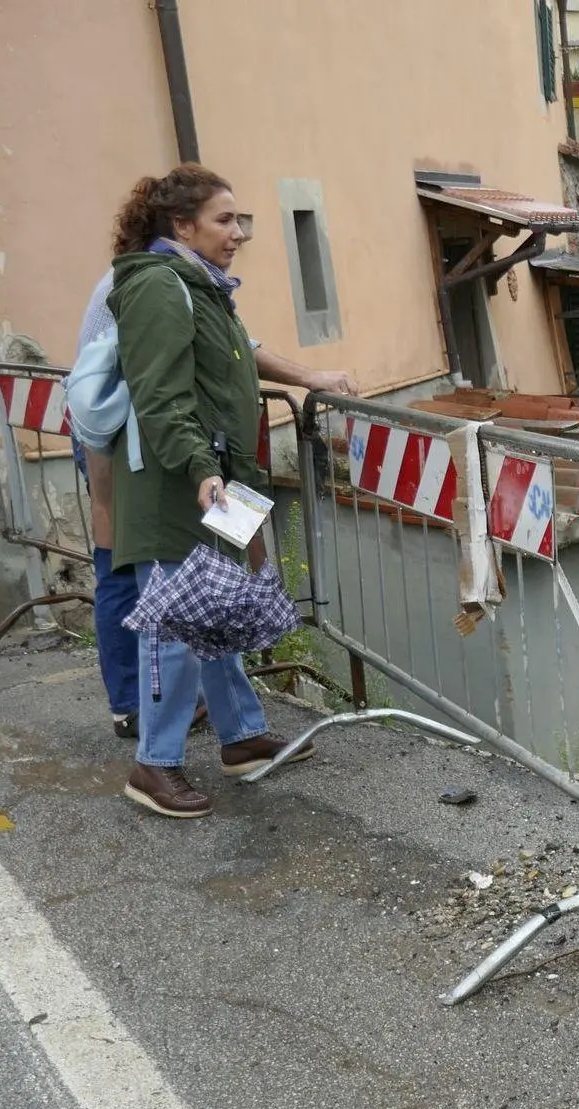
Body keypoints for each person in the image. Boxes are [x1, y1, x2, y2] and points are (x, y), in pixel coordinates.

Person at [107, 163, 355, 819]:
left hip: (220, 478)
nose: (238, 231)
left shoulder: (202, 286)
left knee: (221, 610)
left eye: (239, 218)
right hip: (181, 486)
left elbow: (238, 355)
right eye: (224, 219)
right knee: (176, 625)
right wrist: (198, 469)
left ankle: (241, 736)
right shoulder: (161, 288)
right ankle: (153, 765)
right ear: (182, 226)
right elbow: (159, 398)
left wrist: (310, 375)